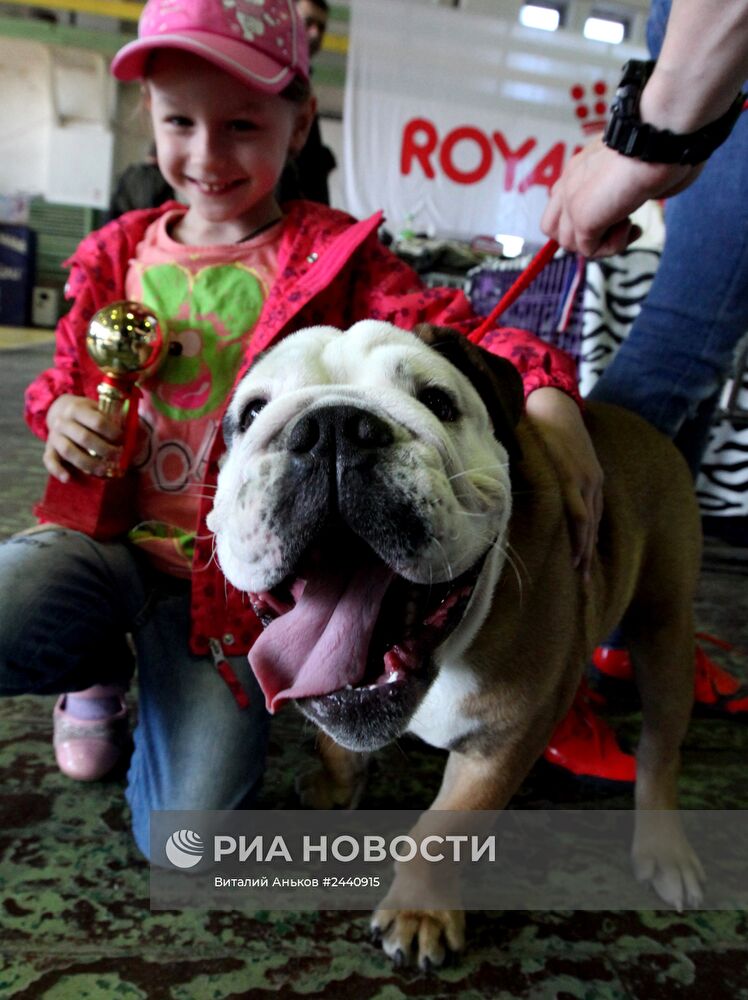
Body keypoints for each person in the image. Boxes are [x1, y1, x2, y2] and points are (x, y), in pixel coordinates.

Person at [0, 0, 602, 859]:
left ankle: (179, 673)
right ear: (149, 120)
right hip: (102, 541)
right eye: (180, 122)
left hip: (228, 594)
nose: (207, 156)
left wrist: (544, 392)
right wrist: (57, 409)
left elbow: (458, 333)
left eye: (242, 125)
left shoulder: (342, 258)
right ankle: (94, 668)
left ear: (299, 120)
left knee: (190, 837)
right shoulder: (112, 255)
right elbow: (67, 371)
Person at [542, 0, 748, 753]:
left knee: (697, 360)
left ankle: (629, 632)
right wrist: (647, 135)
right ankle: (542, 661)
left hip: (715, 67)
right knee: (681, 350)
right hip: (726, 57)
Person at [277, 0, 337, 204]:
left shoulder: (303, 82)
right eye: (309, 22)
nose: (315, 34)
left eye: (321, 27)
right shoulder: (273, 80)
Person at [108, 143, 175, 220]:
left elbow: (116, 200)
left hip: (124, 221)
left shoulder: (130, 172)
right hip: (146, 224)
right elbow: (167, 207)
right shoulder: (163, 178)